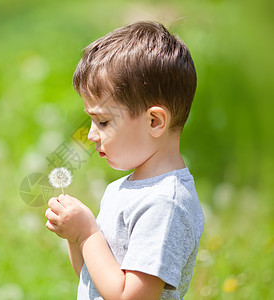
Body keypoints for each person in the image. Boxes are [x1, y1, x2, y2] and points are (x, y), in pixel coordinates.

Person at [45, 21, 205, 300]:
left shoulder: (164, 204)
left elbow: (129, 297)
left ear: (154, 121)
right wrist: (75, 237)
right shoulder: (121, 189)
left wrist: (86, 234)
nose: (91, 135)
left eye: (103, 121)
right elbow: (93, 278)